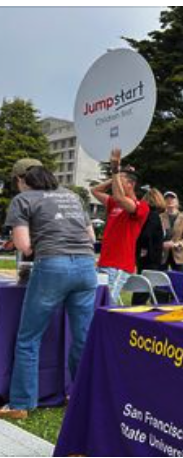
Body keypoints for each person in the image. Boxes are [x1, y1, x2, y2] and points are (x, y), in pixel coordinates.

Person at [0, 160, 97, 421]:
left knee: (29, 338)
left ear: (21, 180)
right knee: (83, 337)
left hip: (52, 267)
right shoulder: (72, 196)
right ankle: (82, 397)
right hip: (88, 267)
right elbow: (91, 238)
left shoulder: (23, 199)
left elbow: (25, 246)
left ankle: (20, 403)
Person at [90, 149, 150, 301]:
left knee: (107, 302)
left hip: (119, 265)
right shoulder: (114, 203)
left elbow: (119, 197)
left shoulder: (141, 206)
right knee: (97, 301)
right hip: (105, 262)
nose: (115, 182)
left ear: (130, 185)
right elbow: (95, 190)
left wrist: (116, 170)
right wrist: (117, 175)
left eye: (120, 180)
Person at [135, 187, 167, 275]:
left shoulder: (145, 214)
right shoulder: (153, 216)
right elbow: (146, 234)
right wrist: (144, 248)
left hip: (143, 255)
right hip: (151, 256)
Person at [161, 191, 183, 272]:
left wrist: (179, 244)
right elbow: (156, 236)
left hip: (179, 254)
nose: (169, 200)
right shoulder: (159, 217)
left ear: (177, 201)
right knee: (159, 279)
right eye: (167, 199)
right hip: (163, 255)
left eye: (172, 198)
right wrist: (162, 244)